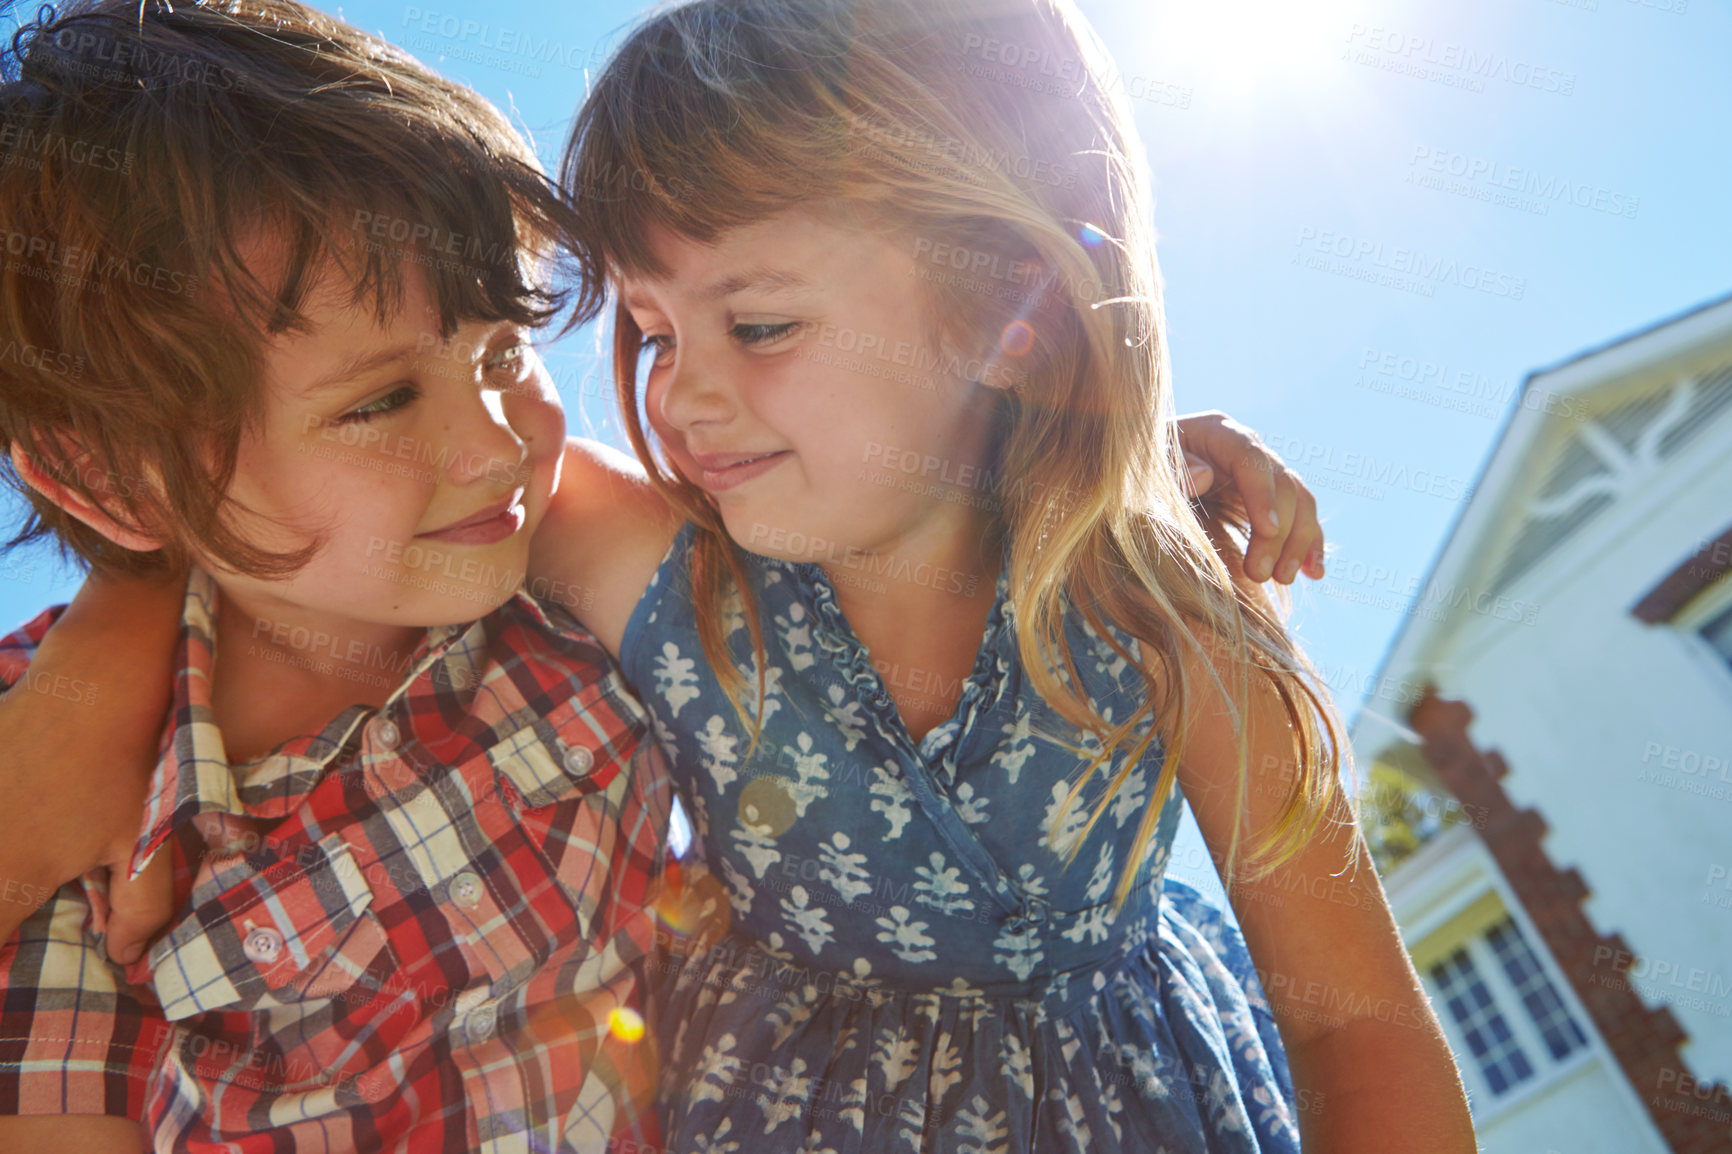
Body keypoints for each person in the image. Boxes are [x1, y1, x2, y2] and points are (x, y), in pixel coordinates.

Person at [0, 2, 675, 1149]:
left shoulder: (553, 571)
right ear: (109, 480)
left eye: (505, 352)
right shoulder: (64, 797)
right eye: (380, 400)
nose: (493, 444)